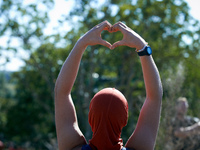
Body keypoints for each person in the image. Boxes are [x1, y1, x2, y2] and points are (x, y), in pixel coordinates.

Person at [54, 20, 163, 150]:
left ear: (90, 118)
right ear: (124, 120)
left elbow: (61, 92)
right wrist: (142, 46)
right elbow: (154, 97)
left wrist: (81, 43)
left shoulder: (72, 147)